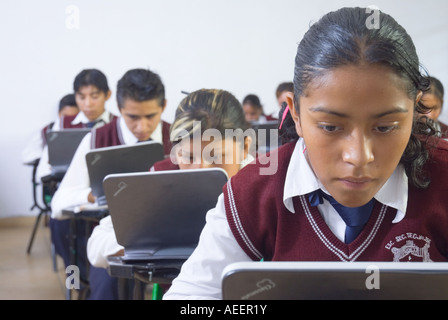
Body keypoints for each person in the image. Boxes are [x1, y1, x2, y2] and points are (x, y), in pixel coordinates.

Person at [163, 7, 448, 300]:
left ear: (415, 110)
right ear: (296, 113)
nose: (358, 156)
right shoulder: (254, 190)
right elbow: (192, 297)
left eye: (386, 127)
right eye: (330, 126)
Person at [86, 88, 254, 299]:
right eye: (188, 156)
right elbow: (97, 244)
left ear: (245, 147)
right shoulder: (162, 176)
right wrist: (145, 241)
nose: (201, 169)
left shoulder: (262, 185)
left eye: (217, 156)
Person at [49, 68, 172, 295]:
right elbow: (58, 204)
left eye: (151, 116)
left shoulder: (178, 139)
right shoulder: (96, 140)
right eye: (133, 117)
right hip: (114, 237)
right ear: (119, 107)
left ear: (163, 106)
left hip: (170, 237)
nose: (142, 127)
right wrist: (92, 195)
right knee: (106, 288)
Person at [36, 69, 116, 181]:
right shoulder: (63, 123)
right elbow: (44, 167)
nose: (88, 104)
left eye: (94, 96)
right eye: (82, 97)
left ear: (108, 95)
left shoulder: (117, 123)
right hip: (68, 185)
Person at [21, 93, 79, 165]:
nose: (68, 121)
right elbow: (27, 156)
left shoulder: (86, 130)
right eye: (65, 117)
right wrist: (48, 157)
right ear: (59, 113)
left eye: (73, 117)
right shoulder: (48, 129)